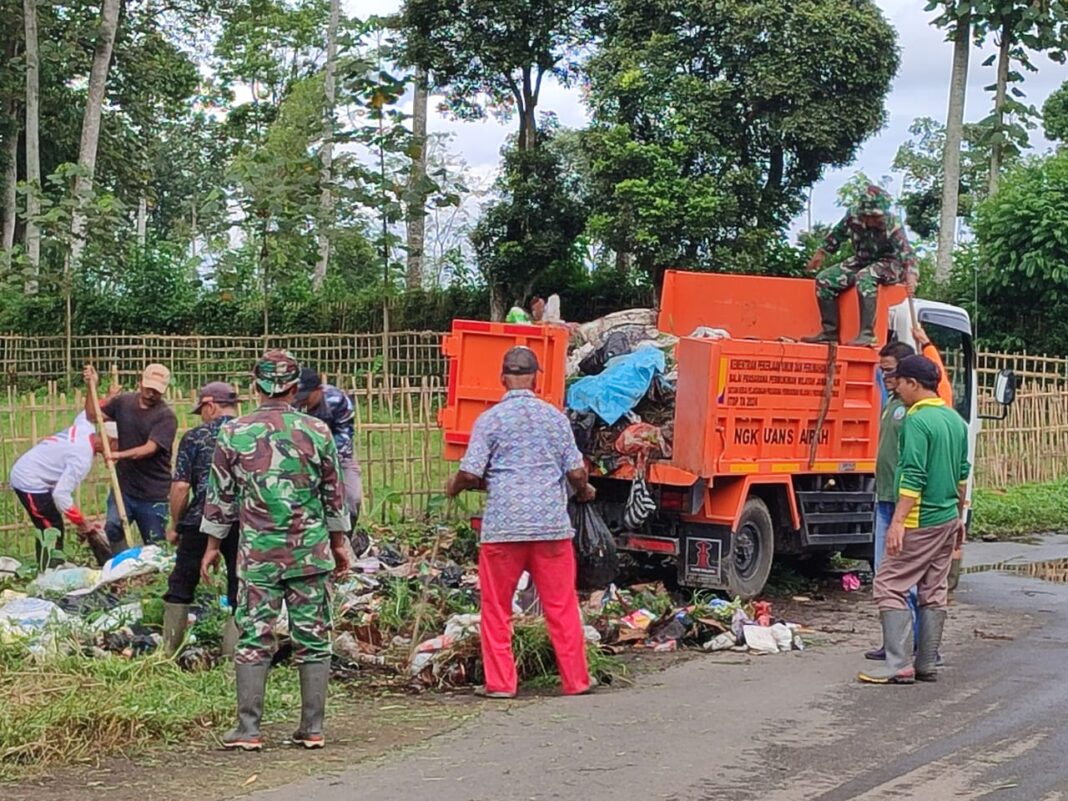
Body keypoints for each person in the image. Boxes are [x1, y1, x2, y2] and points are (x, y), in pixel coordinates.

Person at [200, 350, 351, 751]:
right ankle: (313, 728)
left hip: (258, 556)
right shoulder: (318, 431)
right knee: (314, 637)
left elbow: (220, 496)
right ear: (293, 387)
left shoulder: (233, 432)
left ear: (256, 386)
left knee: (253, 637)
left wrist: (212, 545)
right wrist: (339, 543)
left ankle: (249, 730)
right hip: (309, 552)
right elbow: (333, 494)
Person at [446, 346, 597, 699]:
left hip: (503, 529)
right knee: (560, 605)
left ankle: (501, 684)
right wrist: (585, 490)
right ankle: (575, 681)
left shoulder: (490, 420)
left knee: (496, 608)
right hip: (551, 527)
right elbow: (576, 471)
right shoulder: (555, 418)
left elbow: (470, 473)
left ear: (502, 378)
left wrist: (453, 487)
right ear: (536, 377)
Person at [858, 355, 970, 685]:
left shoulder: (917, 421)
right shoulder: (954, 420)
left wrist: (898, 522)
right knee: (933, 589)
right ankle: (926, 663)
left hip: (921, 519)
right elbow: (962, 474)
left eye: (900, 382)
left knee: (889, 584)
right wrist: (960, 517)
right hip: (948, 517)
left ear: (913, 384)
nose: (897, 389)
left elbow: (913, 474)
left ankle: (898, 663)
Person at [162, 382, 241, 656]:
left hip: (202, 518)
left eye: (202, 410)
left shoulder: (195, 438)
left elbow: (181, 487)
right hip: (245, 521)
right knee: (240, 586)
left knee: (182, 583)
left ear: (210, 405)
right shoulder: (252, 435)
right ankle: (233, 655)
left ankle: (169, 652)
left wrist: (175, 525)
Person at [803, 185, 918, 347]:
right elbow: (838, 233)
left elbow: (907, 253)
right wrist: (822, 251)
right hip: (862, 259)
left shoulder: (892, 224)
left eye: (878, 217)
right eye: (870, 216)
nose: (875, 221)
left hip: (890, 263)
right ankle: (830, 333)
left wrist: (911, 275)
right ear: (863, 214)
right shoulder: (853, 216)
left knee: (865, 277)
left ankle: (867, 334)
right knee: (824, 280)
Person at [83, 364, 177, 551]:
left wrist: (117, 454)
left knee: (155, 543)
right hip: (125, 487)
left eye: (157, 391)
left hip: (153, 493)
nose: (151, 393)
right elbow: (93, 415)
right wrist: (90, 386)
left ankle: (153, 575)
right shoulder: (124, 402)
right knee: (113, 527)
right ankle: (123, 564)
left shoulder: (166, 417)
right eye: (148, 388)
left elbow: (149, 449)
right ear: (140, 382)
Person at [9, 413, 115, 567]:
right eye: (118, 446)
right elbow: (61, 495)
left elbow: (87, 412)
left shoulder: (85, 428)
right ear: (110, 440)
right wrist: (82, 522)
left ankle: (51, 567)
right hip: (29, 480)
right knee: (50, 530)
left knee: (52, 526)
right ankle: (49, 572)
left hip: (34, 471)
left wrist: (107, 402)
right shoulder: (82, 458)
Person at [294, 369, 362, 525]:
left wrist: (325, 460)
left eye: (306, 396)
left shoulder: (338, 400)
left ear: (319, 390)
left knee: (352, 497)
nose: (302, 401)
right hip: (301, 456)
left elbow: (344, 436)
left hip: (338, 454)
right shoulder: (293, 403)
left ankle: (346, 538)